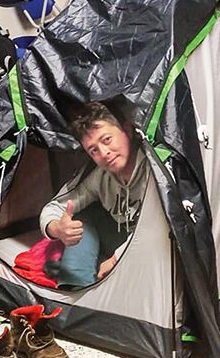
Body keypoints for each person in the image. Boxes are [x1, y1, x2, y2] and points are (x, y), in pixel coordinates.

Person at [39, 102, 148, 288]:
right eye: (93, 150)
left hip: (153, 251)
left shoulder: (153, 171)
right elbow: (55, 207)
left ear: (127, 130)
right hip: (121, 238)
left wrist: (116, 259)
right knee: (79, 218)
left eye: (107, 140)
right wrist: (57, 228)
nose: (104, 153)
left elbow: (159, 230)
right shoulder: (99, 175)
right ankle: (73, 291)